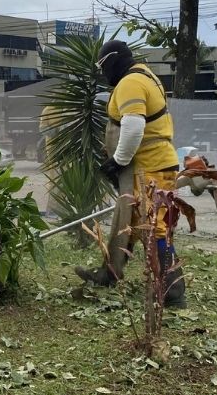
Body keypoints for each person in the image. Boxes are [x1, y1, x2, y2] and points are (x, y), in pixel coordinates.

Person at [74, 40, 186, 308]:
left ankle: (173, 292)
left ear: (113, 60)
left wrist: (117, 161)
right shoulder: (145, 76)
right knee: (132, 223)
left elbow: (134, 126)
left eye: (103, 66)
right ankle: (110, 274)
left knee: (155, 227)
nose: (103, 73)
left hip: (151, 167)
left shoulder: (131, 83)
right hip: (149, 166)